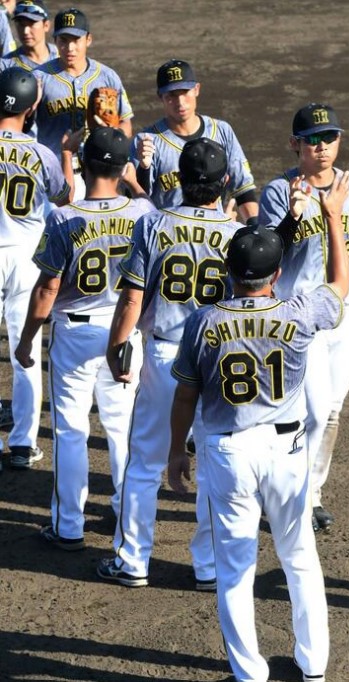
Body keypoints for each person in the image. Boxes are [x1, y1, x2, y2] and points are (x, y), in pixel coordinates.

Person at [96, 139, 305, 590]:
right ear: (225, 181)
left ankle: (132, 560)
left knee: (145, 461)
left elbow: (132, 297)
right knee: (212, 464)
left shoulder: (153, 223)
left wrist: (117, 345)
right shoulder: (237, 234)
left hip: (163, 354)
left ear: (181, 179)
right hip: (217, 354)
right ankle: (208, 566)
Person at [167, 172, 349, 682]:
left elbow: (185, 395)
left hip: (228, 453)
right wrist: (333, 217)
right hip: (287, 450)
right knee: (300, 556)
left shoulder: (203, 321)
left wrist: (177, 451)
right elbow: (340, 286)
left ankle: (250, 674)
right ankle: (313, 666)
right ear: (277, 274)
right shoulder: (298, 312)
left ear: (229, 271)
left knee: (235, 568)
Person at [14, 127, 153, 550]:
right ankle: (124, 514)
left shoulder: (63, 218)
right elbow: (146, 206)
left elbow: (47, 289)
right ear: (123, 167)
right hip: (124, 330)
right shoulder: (143, 213)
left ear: (84, 165)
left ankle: (69, 525)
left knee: (71, 430)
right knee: (122, 427)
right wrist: (135, 181)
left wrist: (27, 339)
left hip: (74, 333)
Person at [259, 102, 349, 532]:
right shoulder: (278, 191)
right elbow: (267, 256)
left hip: (347, 314)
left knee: (332, 410)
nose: (321, 146)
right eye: (312, 139)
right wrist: (293, 215)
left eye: (329, 138)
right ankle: (287, 493)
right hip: (301, 316)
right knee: (313, 413)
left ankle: (311, 492)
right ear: (295, 144)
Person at [0, 66, 70, 470]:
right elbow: (63, 198)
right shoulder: (42, 153)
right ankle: (24, 444)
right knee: (23, 350)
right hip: (28, 260)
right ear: (31, 108)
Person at [132, 59, 257, 221]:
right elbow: (136, 202)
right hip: (168, 232)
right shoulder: (146, 141)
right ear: (160, 96)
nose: (180, 102)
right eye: (171, 95)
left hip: (214, 229)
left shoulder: (222, 131)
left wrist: (254, 228)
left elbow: (243, 189)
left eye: (185, 92)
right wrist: (144, 168)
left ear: (196, 89)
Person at [35, 8, 133, 158]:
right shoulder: (39, 77)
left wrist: (113, 134)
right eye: (63, 40)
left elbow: (126, 124)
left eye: (76, 40)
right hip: (53, 165)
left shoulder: (107, 77)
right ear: (55, 41)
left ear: (88, 40)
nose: (70, 48)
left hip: (97, 165)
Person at [0, 1, 57, 72]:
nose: (25, 31)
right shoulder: (5, 66)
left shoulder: (64, 57)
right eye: (21, 24)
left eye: (31, 24)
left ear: (46, 25)